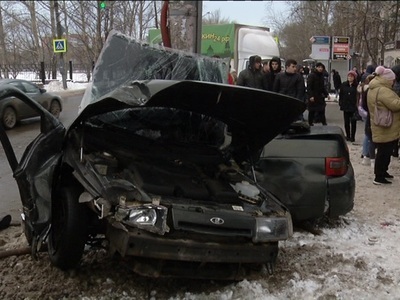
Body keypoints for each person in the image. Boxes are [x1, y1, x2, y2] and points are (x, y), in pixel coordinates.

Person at [367, 66, 400, 185]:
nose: (393, 82)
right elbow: (395, 105)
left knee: (384, 150)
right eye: (392, 80)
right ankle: (379, 176)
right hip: (386, 125)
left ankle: (383, 172)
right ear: (387, 79)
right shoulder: (383, 90)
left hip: (381, 124)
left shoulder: (374, 87)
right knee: (384, 152)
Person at [339, 70, 359, 142]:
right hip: (346, 106)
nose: (350, 77)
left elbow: (358, 96)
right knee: (346, 122)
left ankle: (352, 137)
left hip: (353, 106)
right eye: (349, 76)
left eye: (351, 76)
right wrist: (341, 102)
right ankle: (348, 135)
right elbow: (341, 94)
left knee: (353, 122)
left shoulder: (357, 86)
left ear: (354, 77)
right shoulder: (344, 84)